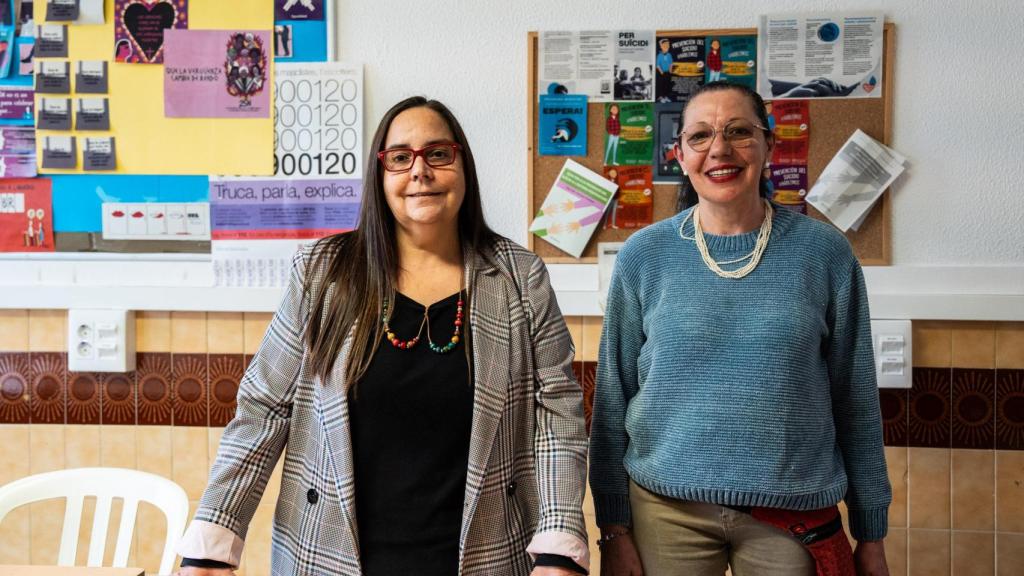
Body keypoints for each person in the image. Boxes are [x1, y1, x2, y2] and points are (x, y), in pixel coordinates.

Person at [175, 97, 589, 576]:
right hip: (329, 557)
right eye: (400, 157)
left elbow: (557, 412)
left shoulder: (519, 277)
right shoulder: (324, 272)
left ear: (463, 167)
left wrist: (559, 546)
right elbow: (263, 409)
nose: (420, 171)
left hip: (484, 557)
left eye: (438, 154)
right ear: (379, 175)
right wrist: (212, 542)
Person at [589, 81, 891, 576]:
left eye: (738, 132)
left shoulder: (825, 254)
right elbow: (612, 397)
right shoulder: (643, 256)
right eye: (700, 136)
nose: (719, 150)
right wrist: (613, 529)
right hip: (665, 513)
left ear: (768, 144)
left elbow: (855, 399)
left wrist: (871, 533)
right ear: (680, 155)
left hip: (791, 512)